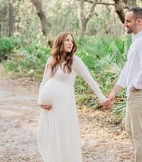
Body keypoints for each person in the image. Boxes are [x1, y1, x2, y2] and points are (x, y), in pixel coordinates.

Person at [37, 32, 108, 162]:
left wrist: (102, 98)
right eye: (67, 40)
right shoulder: (51, 61)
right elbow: (44, 82)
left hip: (63, 104)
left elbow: (90, 79)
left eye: (72, 41)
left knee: (61, 136)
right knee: (43, 136)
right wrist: (39, 101)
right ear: (60, 43)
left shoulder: (75, 61)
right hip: (47, 107)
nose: (70, 43)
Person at [107, 6, 142, 162]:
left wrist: (135, 86)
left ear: (139, 21)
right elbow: (127, 70)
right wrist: (114, 91)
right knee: (130, 129)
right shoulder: (136, 41)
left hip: (141, 93)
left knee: (139, 135)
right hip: (134, 94)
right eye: (125, 21)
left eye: (128, 21)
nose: (125, 24)